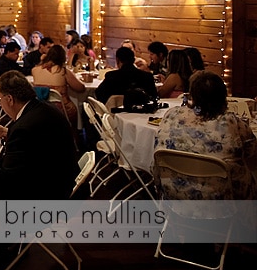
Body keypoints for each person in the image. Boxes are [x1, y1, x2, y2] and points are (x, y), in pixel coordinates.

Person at [154, 71, 256, 199]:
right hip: (226, 205)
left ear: (193, 96)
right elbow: (252, 154)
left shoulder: (171, 115)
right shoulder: (232, 123)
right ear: (223, 97)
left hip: (174, 200)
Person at [0, 71, 78, 200]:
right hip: (61, 177)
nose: (1, 106)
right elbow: (37, 140)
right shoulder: (44, 108)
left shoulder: (23, 128)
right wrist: (6, 132)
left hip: (44, 193)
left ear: (9, 99)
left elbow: (9, 178)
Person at [31, 45, 85, 127]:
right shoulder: (62, 71)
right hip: (61, 110)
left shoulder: (34, 70)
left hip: (40, 109)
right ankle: (73, 137)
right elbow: (80, 88)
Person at [94, 47, 158, 105]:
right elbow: (154, 97)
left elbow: (99, 94)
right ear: (133, 60)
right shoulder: (147, 76)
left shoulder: (112, 76)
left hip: (115, 113)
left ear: (117, 60)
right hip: (143, 114)